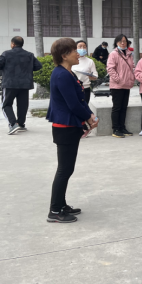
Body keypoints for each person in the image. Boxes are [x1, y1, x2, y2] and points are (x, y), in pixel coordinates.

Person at [45, 38, 98, 223]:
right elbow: (73, 104)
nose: (78, 53)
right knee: (64, 169)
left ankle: (62, 204)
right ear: (64, 55)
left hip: (69, 126)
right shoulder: (61, 75)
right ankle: (54, 210)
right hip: (64, 127)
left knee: (67, 169)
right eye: (74, 50)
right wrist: (89, 118)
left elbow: (80, 100)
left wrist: (89, 115)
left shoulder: (68, 72)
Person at [0, 36, 43, 135]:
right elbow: (38, 66)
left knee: (6, 105)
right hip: (25, 84)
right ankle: (21, 124)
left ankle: (13, 124)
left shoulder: (6, 54)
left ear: (13, 44)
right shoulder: (29, 55)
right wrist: (27, 68)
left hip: (9, 84)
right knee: (22, 105)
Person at [106, 34, 135, 138]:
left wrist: (131, 78)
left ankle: (122, 127)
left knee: (124, 108)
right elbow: (110, 69)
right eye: (120, 41)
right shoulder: (113, 54)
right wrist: (118, 79)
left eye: (124, 41)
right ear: (116, 42)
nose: (123, 43)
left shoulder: (129, 54)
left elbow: (132, 67)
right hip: (117, 86)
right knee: (117, 108)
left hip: (127, 85)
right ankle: (116, 129)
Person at [71, 40, 98, 105]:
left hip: (85, 88)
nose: (82, 48)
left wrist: (92, 77)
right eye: (80, 47)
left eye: (84, 47)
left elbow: (95, 75)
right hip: (73, 88)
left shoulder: (90, 61)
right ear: (75, 48)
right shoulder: (72, 61)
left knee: (84, 107)